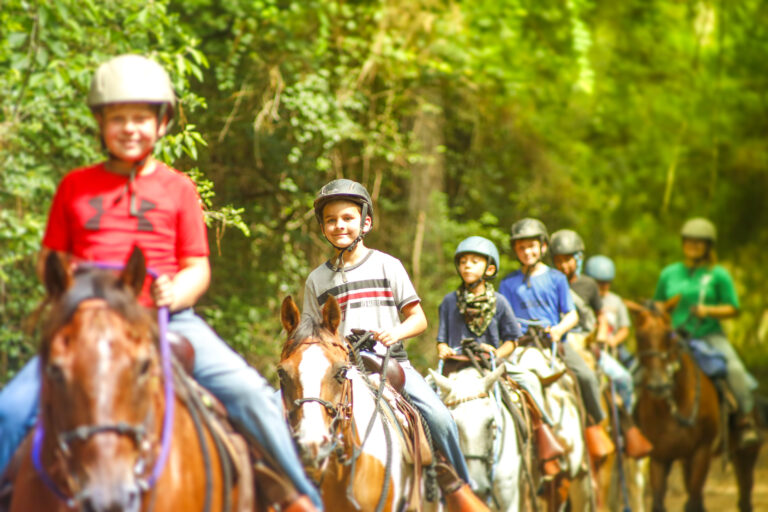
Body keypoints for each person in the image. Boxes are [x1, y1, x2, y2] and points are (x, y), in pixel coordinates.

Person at [0, 54, 322, 508]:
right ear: (100, 123)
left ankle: (300, 497)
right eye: (118, 119)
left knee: (251, 394)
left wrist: (176, 291)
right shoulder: (75, 186)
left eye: (140, 118)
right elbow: (50, 260)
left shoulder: (178, 189)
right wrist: (69, 285)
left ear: (162, 122)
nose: (130, 128)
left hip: (167, 318)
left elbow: (197, 267)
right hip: (89, 321)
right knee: (10, 409)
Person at [302, 178, 475, 489]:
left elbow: (418, 319)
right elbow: (310, 334)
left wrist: (395, 333)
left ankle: (462, 490)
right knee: (286, 412)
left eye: (348, 218)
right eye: (331, 220)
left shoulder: (387, 265)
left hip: (391, 366)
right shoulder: (317, 280)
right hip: (341, 371)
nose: (339, 225)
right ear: (323, 227)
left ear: (365, 223)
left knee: (441, 419)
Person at [436, 235, 564, 467]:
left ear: (490, 268)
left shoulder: (500, 302)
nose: (467, 266)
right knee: (425, 393)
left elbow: (512, 341)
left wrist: (495, 353)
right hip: (455, 368)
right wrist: (444, 349)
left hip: (491, 367)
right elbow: (441, 340)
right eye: (463, 262)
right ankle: (429, 455)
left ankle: (542, 432)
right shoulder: (448, 301)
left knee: (530, 380)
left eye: (474, 261)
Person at [497, 218, 614, 458]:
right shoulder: (508, 283)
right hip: (518, 345)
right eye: (521, 247)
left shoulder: (556, 278)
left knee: (586, 376)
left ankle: (595, 425)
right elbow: (501, 317)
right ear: (515, 251)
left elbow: (571, 314)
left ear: (542, 247)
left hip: (551, 343)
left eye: (532, 246)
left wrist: (559, 330)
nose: (527, 252)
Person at [654, 217, 759, 447]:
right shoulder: (669, 273)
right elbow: (659, 305)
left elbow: (733, 308)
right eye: (689, 241)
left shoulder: (719, 274)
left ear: (708, 246)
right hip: (676, 336)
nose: (693, 246)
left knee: (735, 369)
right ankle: (635, 423)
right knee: (645, 367)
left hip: (709, 335)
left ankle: (745, 420)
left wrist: (708, 310)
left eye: (699, 242)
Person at [551, 230, 651, 458]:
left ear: (578, 258)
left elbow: (601, 315)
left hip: (586, 343)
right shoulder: (550, 282)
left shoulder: (589, 285)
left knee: (623, 378)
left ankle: (622, 426)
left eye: (568, 259)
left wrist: (603, 334)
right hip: (559, 341)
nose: (564, 265)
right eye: (559, 260)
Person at [585, 255, 635, 369]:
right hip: (589, 343)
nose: (604, 286)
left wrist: (614, 340)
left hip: (612, 345)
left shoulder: (616, 301)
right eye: (599, 282)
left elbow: (625, 329)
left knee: (634, 368)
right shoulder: (585, 300)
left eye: (607, 282)